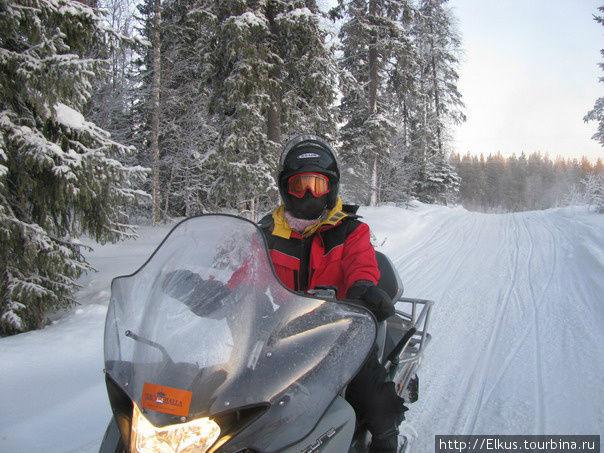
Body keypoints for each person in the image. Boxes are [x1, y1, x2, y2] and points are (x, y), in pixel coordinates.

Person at [257, 134, 407, 453]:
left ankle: (385, 438)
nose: (309, 193)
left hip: (340, 330)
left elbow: (361, 263)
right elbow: (243, 272)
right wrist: (211, 292)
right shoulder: (267, 233)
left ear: (332, 188)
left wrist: (364, 288)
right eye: (300, 185)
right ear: (286, 188)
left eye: (318, 185)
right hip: (279, 333)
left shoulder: (350, 230)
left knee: (371, 393)